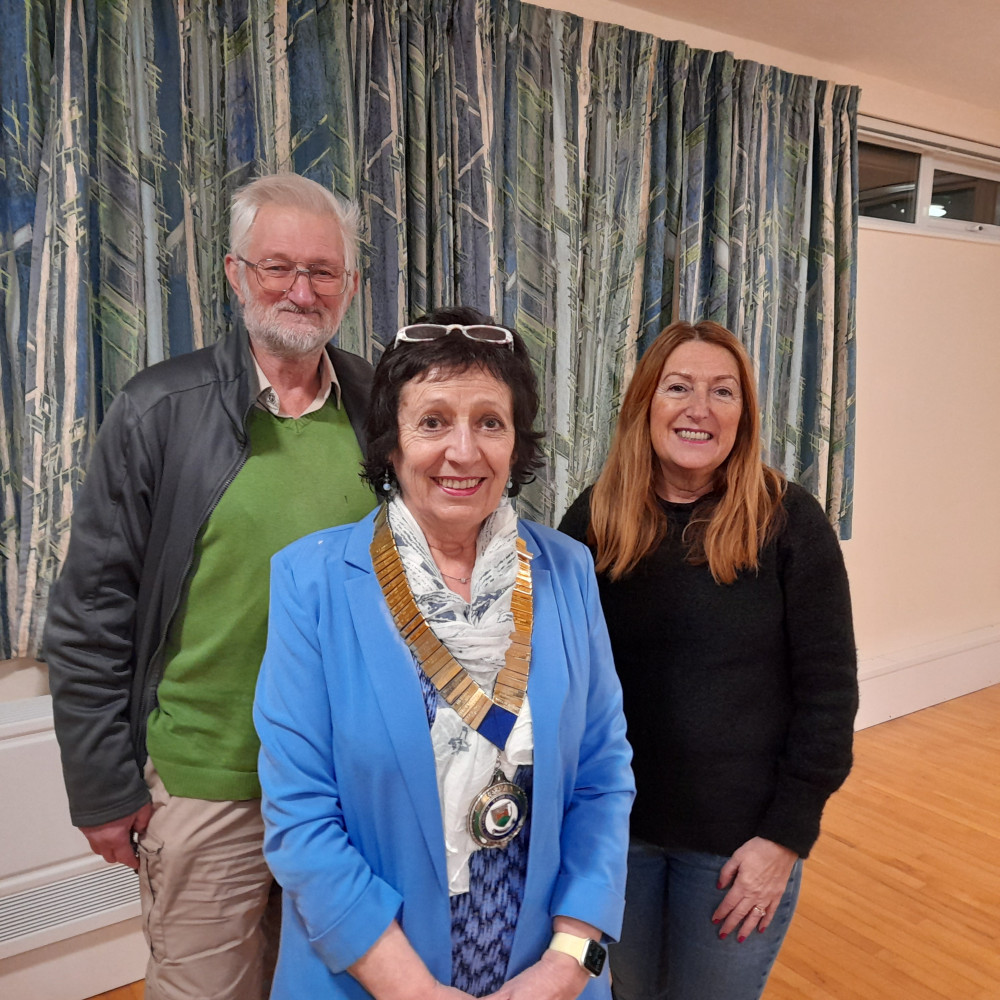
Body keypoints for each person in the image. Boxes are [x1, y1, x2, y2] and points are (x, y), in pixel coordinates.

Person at [44, 173, 376, 1000]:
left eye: (323, 272)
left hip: (346, 790)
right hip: (205, 786)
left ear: (351, 286)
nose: (302, 291)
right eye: (278, 268)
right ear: (234, 274)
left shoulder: (384, 405)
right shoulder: (160, 409)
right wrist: (104, 787)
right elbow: (91, 613)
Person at [253, 306, 635, 999]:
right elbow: (300, 815)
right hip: (369, 977)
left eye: (490, 421)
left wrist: (569, 961)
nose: (464, 451)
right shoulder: (309, 582)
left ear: (517, 446)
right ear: (391, 445)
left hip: (544, 978)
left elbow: (603, 779)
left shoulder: (569, 571)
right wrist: (413, 991)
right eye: (432, 422)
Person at [558, 320, 858, 1000]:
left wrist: (784, 839)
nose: (700, 408)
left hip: (737, 849)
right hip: (617, 837)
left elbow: (829, 696)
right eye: (679, 387)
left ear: (744, 416)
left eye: (723, 392)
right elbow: (559, 682)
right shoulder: (595, 519)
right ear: (645, 404)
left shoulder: (789, 522)